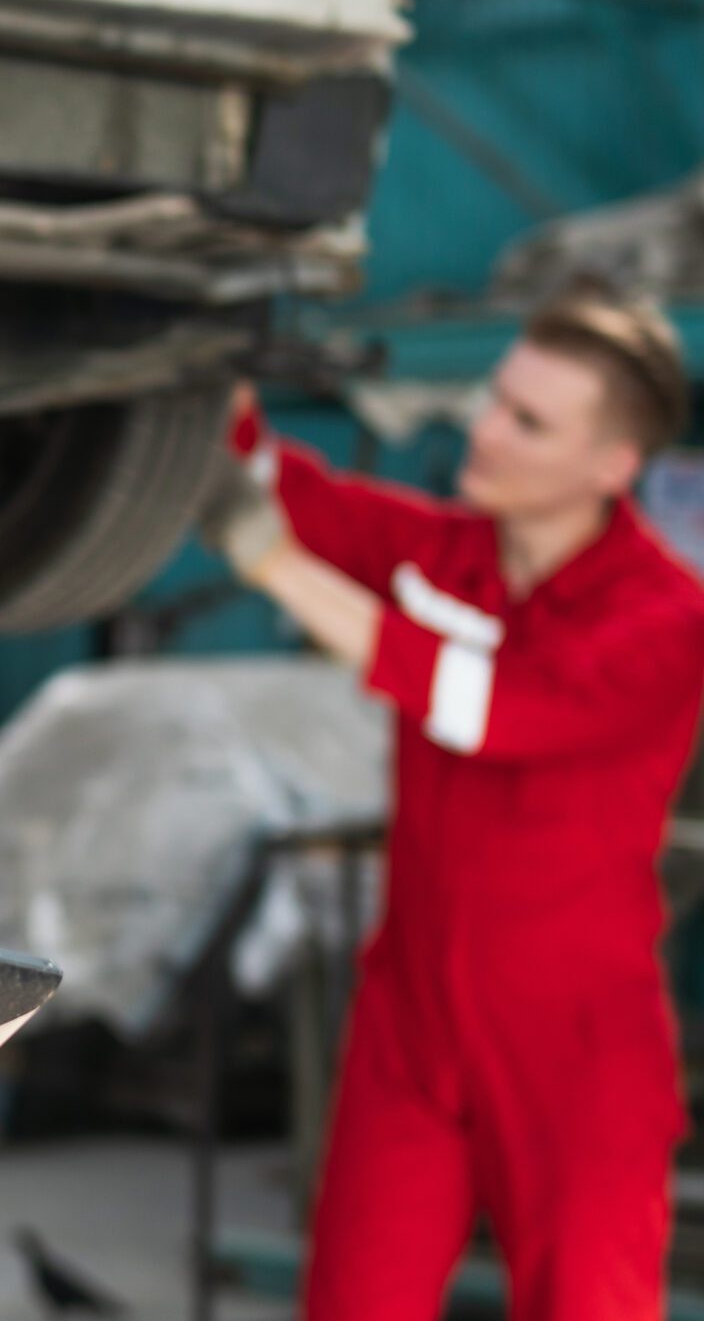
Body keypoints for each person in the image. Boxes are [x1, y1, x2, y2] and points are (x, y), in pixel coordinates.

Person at [203, 287, 704, 1321]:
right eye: (493, 399)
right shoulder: (445, 555)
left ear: (612, 465)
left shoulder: (663, 621)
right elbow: (266, 483)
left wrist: (276, 570)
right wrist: (207, 379)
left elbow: (486, 708)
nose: (484, 430)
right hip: (411, 1020)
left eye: (528, 422)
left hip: (572, 1046)